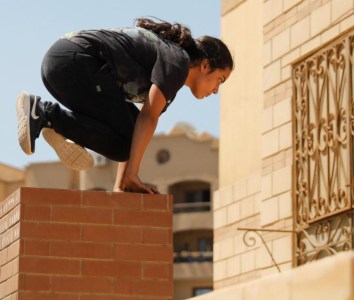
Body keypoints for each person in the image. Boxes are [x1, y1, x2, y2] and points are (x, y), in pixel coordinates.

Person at [16, 17, 234, 194]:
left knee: (125, 143)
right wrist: (133, 174)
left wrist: (121, 186)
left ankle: (52, 121)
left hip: (61, 66)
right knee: (125, 142)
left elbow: (138, 128)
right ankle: (45, 114)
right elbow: (149, 117)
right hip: (74, 62)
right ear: (205, 65)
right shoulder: (178, 61)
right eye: (220, 80)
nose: (216, 91)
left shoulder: (171, 74)